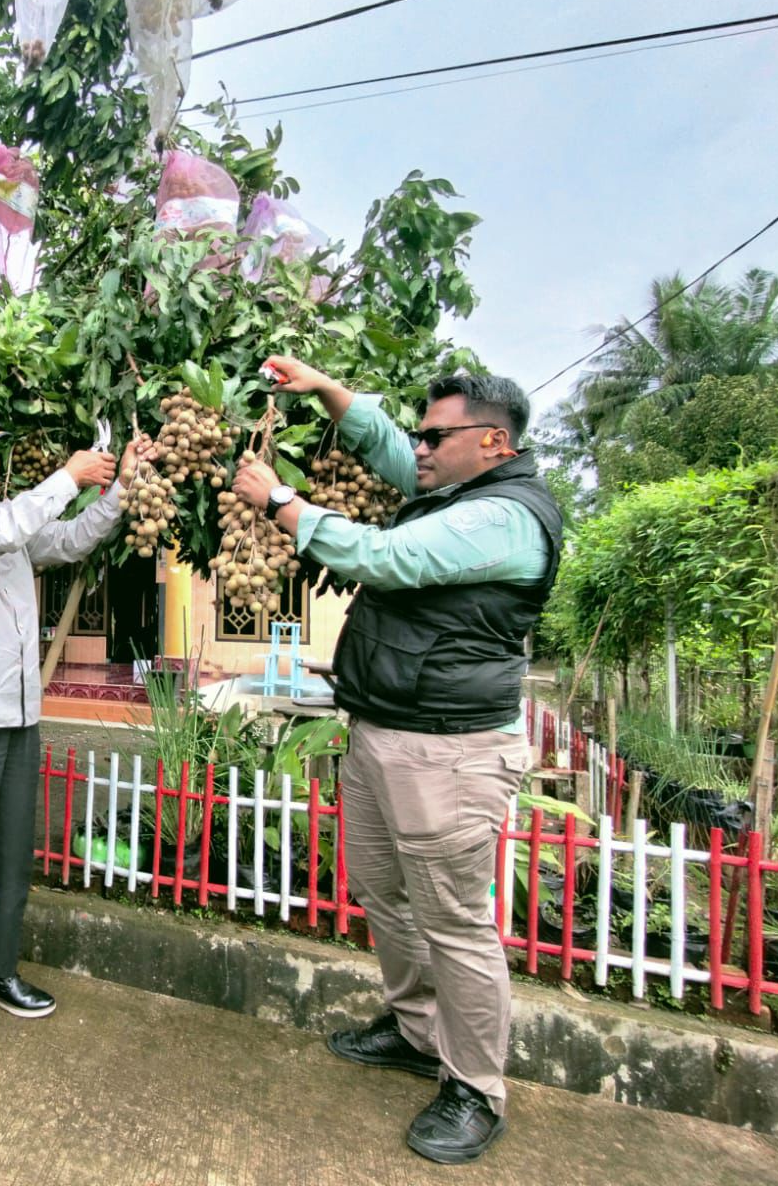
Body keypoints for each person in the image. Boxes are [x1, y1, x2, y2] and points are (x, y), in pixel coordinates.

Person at [232, 354, 562, 1166]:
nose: (416, 447)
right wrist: (325, 388)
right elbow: (384, 447)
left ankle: (475, 1088)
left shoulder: (505, 517)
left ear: (492, 441)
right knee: (386, 891)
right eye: (418, 432)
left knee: (454, 918)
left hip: (449, 749)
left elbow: (384, 559)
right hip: (386, 728)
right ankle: (417, 1031)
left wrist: (280, 502)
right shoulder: (457, 488)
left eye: (434, 435)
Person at [0, 410, 150, 1067]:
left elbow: (67, 540)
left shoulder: (2, 520)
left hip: (12, 713)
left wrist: (120, 488)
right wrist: (68, 475)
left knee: (11, 854)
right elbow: (5, 527)